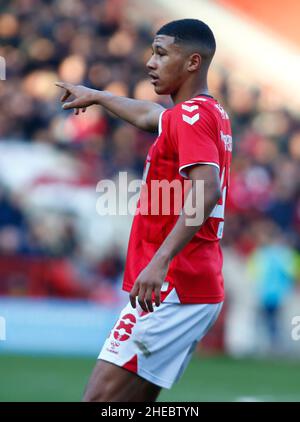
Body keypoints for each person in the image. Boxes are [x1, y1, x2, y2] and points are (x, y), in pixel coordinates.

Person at [56, 18, 232, 402]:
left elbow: (207, 189)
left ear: (192, 62)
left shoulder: (190, 117)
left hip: (175, 285)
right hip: (191, 284)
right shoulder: (204, 113)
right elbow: (148, 116)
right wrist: (99, 95)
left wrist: (160, 261)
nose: (150, 63)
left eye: (161, 53)